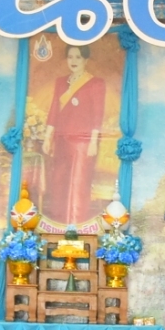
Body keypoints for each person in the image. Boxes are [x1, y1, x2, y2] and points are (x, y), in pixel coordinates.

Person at [41, 42, 109, 224]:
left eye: (78, 57)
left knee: (78, 183)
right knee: (59, 181)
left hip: (83, 142)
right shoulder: (61, 82)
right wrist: (48, 137)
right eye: (70, 56)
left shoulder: (95, 83)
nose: (73, 61)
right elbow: (54, 110)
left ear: (86, 60)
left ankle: (76, 223)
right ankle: (58, 223)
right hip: (61, 139)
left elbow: (98, 114)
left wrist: (93, 141)